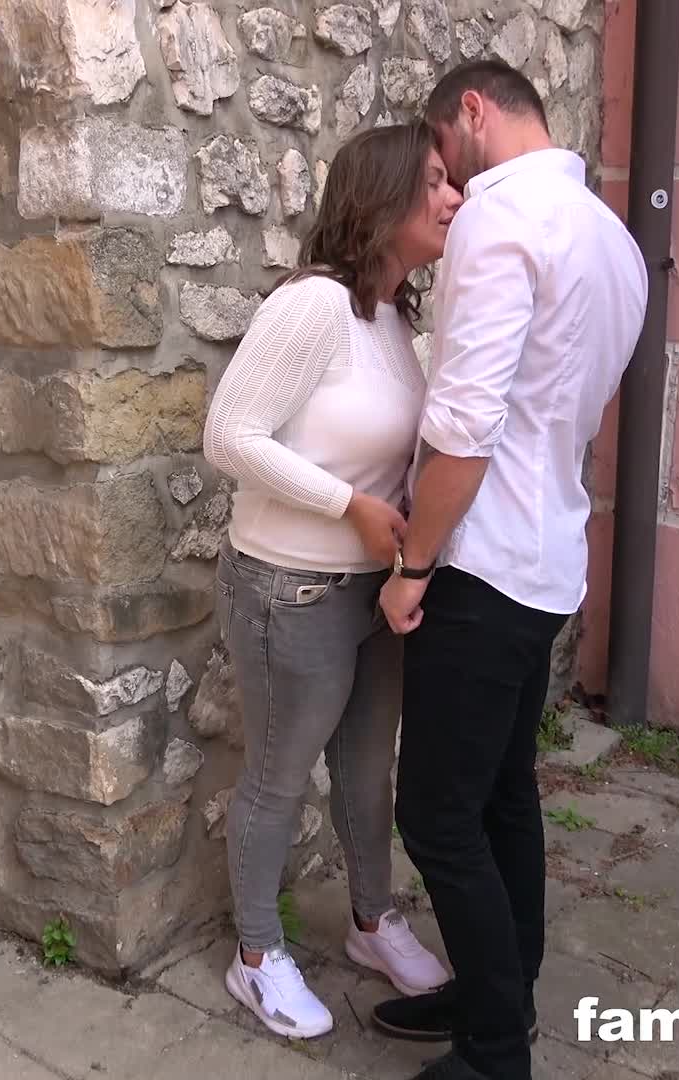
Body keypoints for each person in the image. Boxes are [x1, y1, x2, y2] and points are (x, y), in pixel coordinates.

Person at [373, 61, 647, 1080]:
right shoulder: (611, 237)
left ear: (474, 111)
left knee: (437, 814)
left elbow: (466, 427)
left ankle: (494, 1052)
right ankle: (502, 993)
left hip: (481, 562)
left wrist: (413, 565)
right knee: (500, 795)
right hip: (549, 554)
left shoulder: (501, 218)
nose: (447, 184)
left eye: (444, 157)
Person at [203, 121, 464, 1040]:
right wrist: (348, 504)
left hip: (373, 590)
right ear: (384, 197)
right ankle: (255, 956)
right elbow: (228, 435)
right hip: (290, 589)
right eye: (435, 181)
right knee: (279, 776)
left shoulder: (392, 318)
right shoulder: (312, 306)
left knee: (364, 768)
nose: (453, 198)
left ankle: (371, 921)